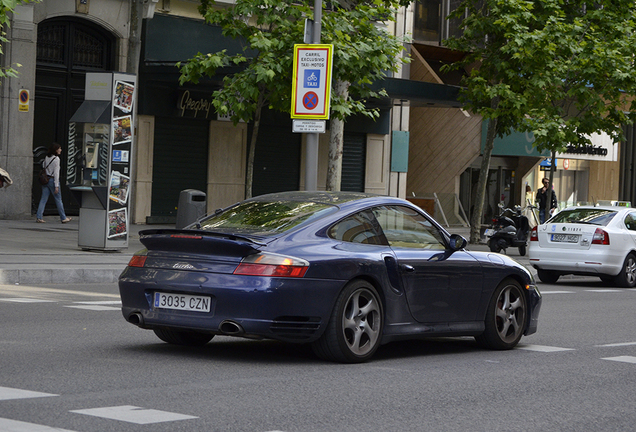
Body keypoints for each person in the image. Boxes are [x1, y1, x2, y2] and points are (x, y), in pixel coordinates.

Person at [36, 143, 71, 223]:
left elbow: (43, 165)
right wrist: (56, 185)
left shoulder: (46, 157)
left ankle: (39, 217)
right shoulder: (56, 159)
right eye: (59, 148)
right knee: (58, 199)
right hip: (52, 180)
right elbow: (56, 173)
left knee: (43, 199)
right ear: (56, 150)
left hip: (45, 180)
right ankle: (63, 217)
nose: (61, 150)